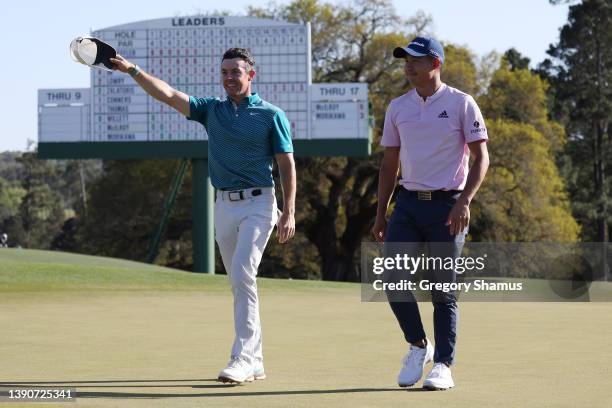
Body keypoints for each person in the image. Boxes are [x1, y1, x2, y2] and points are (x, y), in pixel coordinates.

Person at [111, 48, 296, 384]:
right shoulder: (211, 110)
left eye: (236, 72)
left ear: (250, 75)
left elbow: (286, 164)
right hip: (223, 205)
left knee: (242, 274)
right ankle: (255, 360)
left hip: (260, 203)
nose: (229, 78)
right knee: (239, 282)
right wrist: (133, 70)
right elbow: (167, 94)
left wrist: (290, 211)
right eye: (224, 72)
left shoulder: (272, 115)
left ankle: (240, 358)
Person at [371, 37, 489, 390]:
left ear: (435, 63)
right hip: (407, 204)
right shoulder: (398, 107)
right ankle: (419, 345)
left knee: (442, 289)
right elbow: (389, 163)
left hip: (448, 205)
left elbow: (481, 158)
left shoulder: (461, 104)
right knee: (393, 280)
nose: (408, 66)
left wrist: (465, 200)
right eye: (405, 60)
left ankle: (443, 365)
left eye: (416, 60)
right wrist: (381, 213)